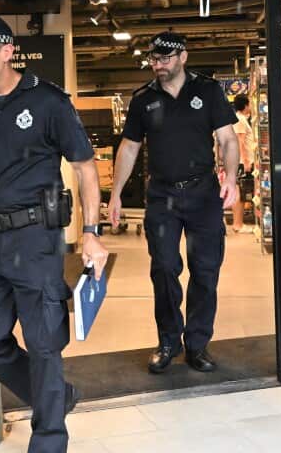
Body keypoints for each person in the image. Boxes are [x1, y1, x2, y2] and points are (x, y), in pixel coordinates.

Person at [0, 13, 108, 453]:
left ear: (7, 50)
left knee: (44, 344)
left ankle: (48, 440)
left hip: (36, 242)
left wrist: (91, 231)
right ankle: (56, 396)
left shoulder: (49, 102)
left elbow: (85, 168)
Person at [107, 32, 239, 374]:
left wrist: (233, 181)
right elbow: (130, 148)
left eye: (165, 59)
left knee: (205, 270)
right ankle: (168, 341)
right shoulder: (143, 100)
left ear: (183, 56)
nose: (158, 65)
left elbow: (227, 139)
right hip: (162, 195)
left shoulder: (208, 91)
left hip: (204, 194)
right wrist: (116, 193)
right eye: (154, 59)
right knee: (164, 268)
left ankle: (197, 344)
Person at [228, 94, 258, 233]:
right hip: (241, 162)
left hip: (239, 161)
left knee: (239, 191)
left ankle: (238, 224)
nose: (251, 106)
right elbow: (239, 142)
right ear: (245, 105)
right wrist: (245, 161)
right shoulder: (239, 120)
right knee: (239, 192)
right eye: (250, 103)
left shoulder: (240, 119)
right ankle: (238, 224)